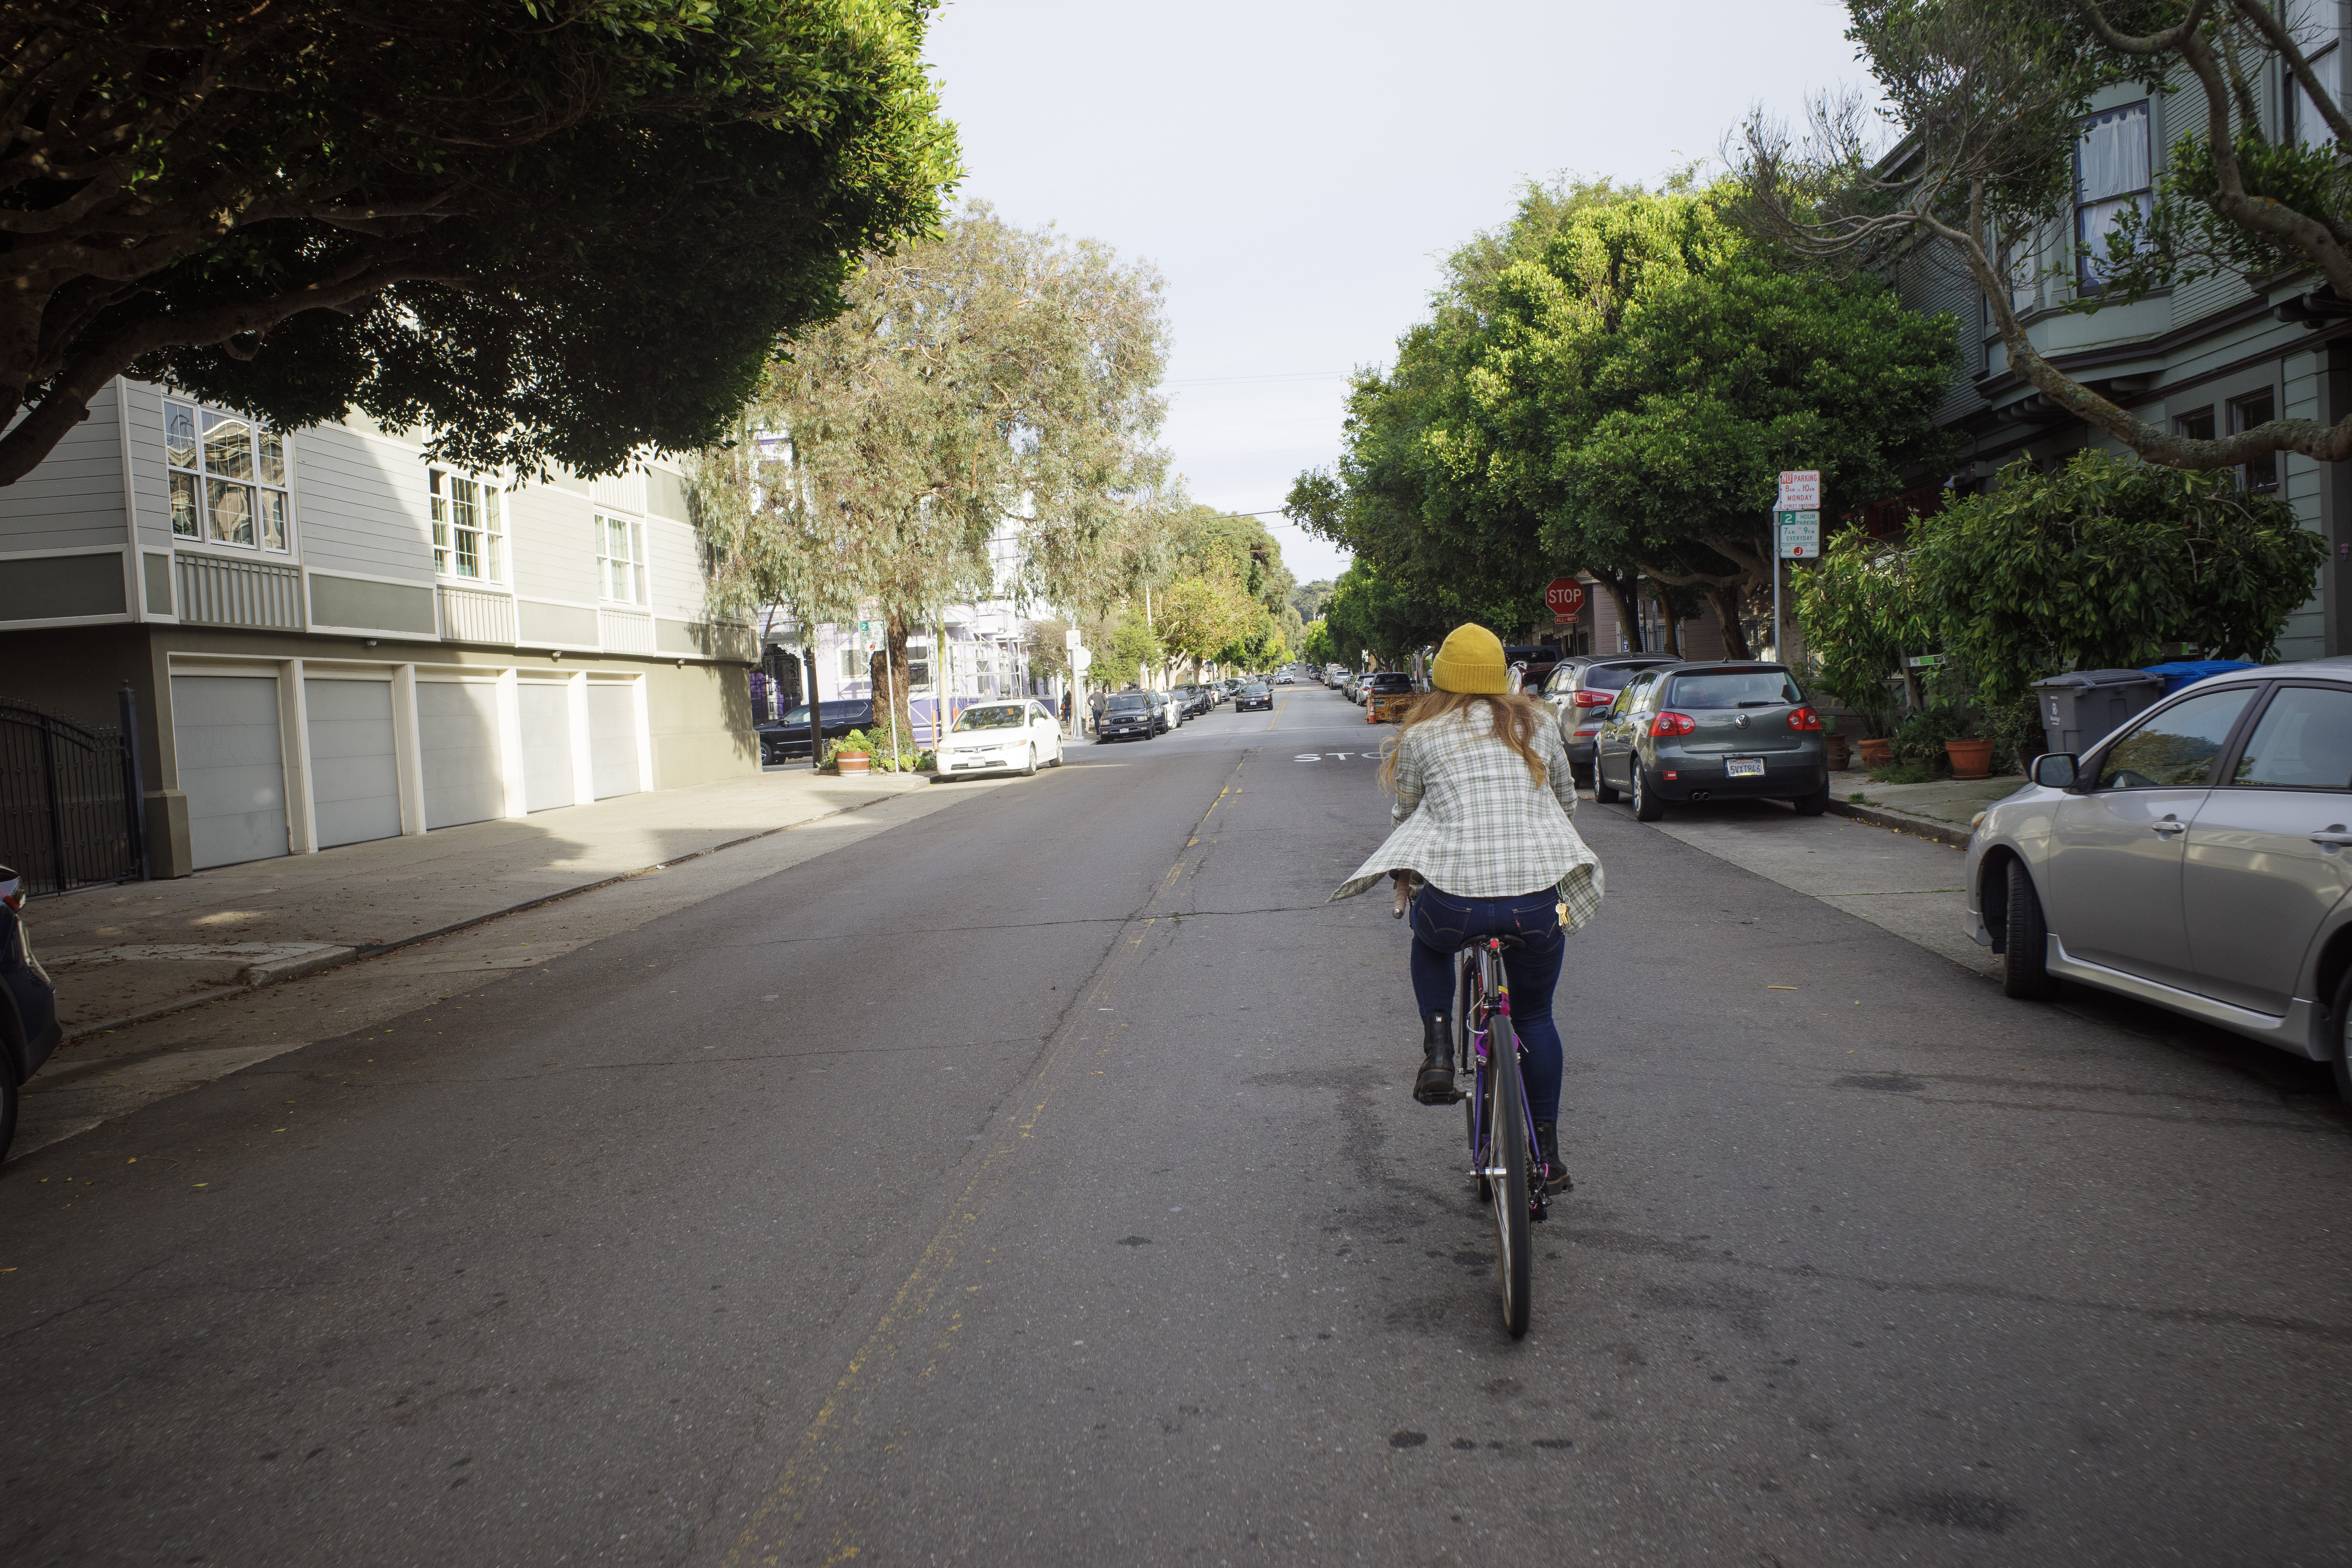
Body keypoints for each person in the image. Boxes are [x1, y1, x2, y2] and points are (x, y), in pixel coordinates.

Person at [1329, 622, 1602, 1192]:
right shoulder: (1538, 723)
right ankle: (1547, 1156)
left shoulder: (1424, 732)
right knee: (1535, 1018)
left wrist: (1408, 871)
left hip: (1456, 904)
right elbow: (1566, 804)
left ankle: (1436, 1047)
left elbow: (1406, 817)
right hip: (1534, 905)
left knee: (1429, 942)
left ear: (1441, 679)